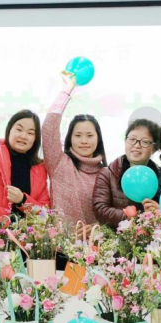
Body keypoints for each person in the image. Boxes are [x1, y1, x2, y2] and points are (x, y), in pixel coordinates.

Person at [43, 74, 107, 225]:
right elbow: (48, 127)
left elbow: (111, 217)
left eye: (89, 135)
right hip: (60, 240)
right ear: (70, 138)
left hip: (97, 240)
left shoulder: (106, 174)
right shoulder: (59, 163)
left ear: (98, 139)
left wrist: (98, 228)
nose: (84, 141)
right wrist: (67, 89)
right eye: (78, 135)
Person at [0, 103, 51, 220]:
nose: (23, 136)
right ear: (9, 129)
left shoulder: (40, 167)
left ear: (36, 138)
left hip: (25, 230)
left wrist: (23, 200)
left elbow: (45, 213)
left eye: (30, 133)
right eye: (19, 129)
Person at [93, 119, 161, 228]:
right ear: (125, 141)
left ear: (154, 148)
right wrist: (134, 216)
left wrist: (158, 212)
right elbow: (100, 209)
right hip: (116, 236)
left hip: (154, 237)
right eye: (132, 139)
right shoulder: (107, 174)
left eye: (144, 142)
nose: (137, 145)